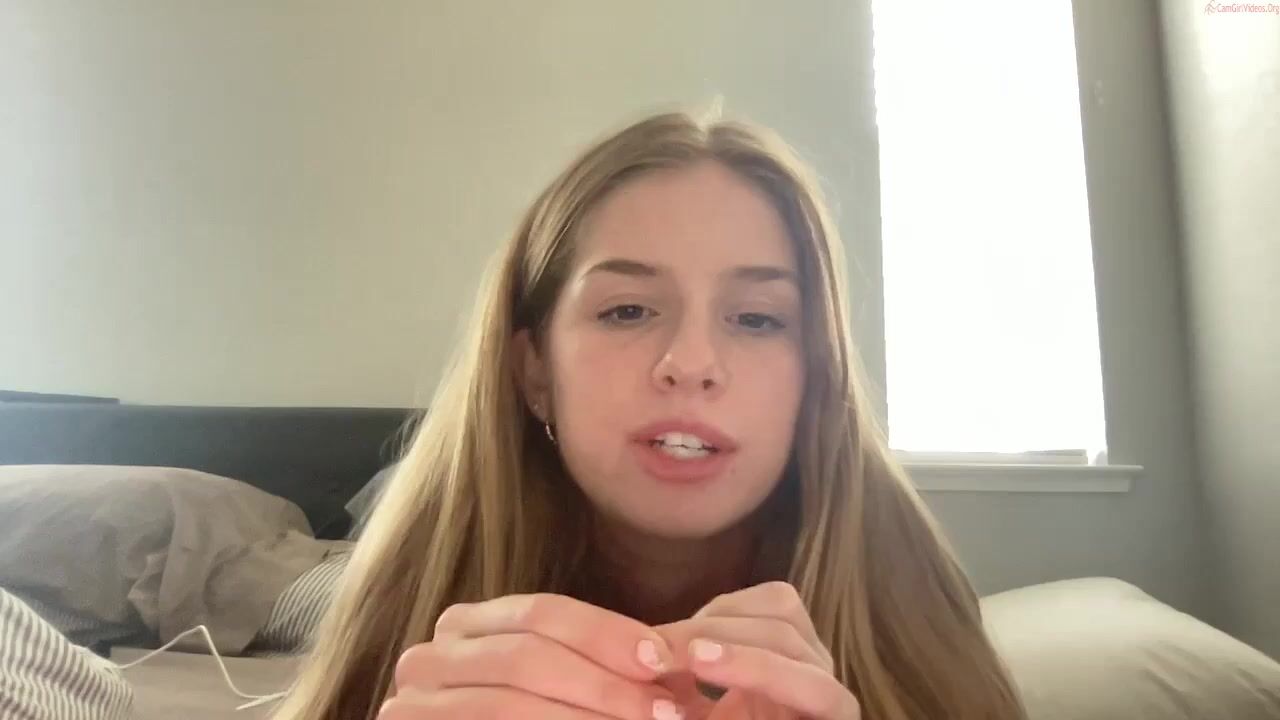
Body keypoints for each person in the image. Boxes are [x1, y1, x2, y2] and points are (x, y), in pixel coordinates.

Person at [269, 111, 1026, 720]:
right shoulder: (414, 584)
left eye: (757, 319)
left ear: (815, 377)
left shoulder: (907, 594)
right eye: (628, 310)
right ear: (534, 371)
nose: (691, 362)